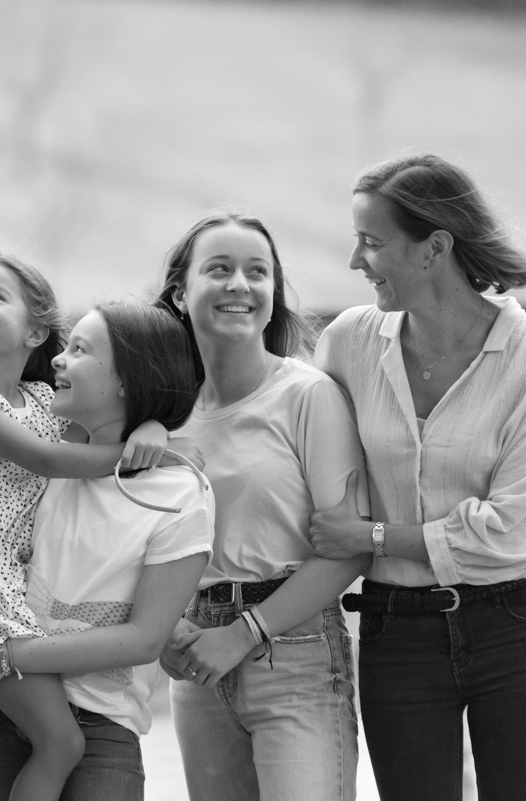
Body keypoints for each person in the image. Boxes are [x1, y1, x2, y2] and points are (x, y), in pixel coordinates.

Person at [311, 153, 526, 801]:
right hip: (395, 632)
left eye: (371, 243)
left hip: (515, 625)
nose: (354, 262)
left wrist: (371, 535)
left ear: (434, 248)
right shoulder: (349, 342)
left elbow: (513, 529)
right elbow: (292, 439)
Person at [0, 301, 215, 801]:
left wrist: (4, 656)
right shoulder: (41, 451)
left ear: (130, 379)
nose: (59, 359)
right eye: (65, 348)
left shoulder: (179, 494)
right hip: (3, 708)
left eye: (80, 350)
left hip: (101, 724)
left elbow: (145, 639)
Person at [153, 212, 369, 801]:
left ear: (272, 295)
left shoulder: (308, 396)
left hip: (294, 652)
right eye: (218, 269)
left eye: (257, 272)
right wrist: (164, 628)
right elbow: (126, 538)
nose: (239, 286)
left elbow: (346, 551)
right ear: (180, 292)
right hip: (195, 657)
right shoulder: (161, 416)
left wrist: (244, 633)